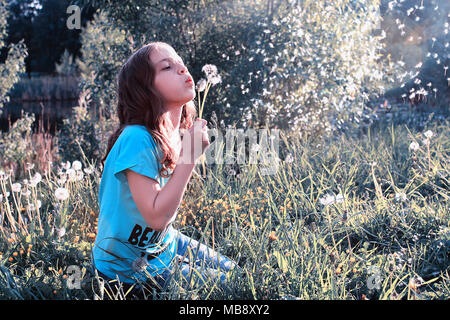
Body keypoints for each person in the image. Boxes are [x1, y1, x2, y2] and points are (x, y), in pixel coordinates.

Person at [91, 41, 238, 298]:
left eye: (179, 61)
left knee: (237, 275)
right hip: (126, 275)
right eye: (167, 67)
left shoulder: (170, 135)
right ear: (146, 90)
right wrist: (189, 157)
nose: (182, 68)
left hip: (164, 244)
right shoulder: (136, 138)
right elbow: (156, 218)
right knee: (233, 289)